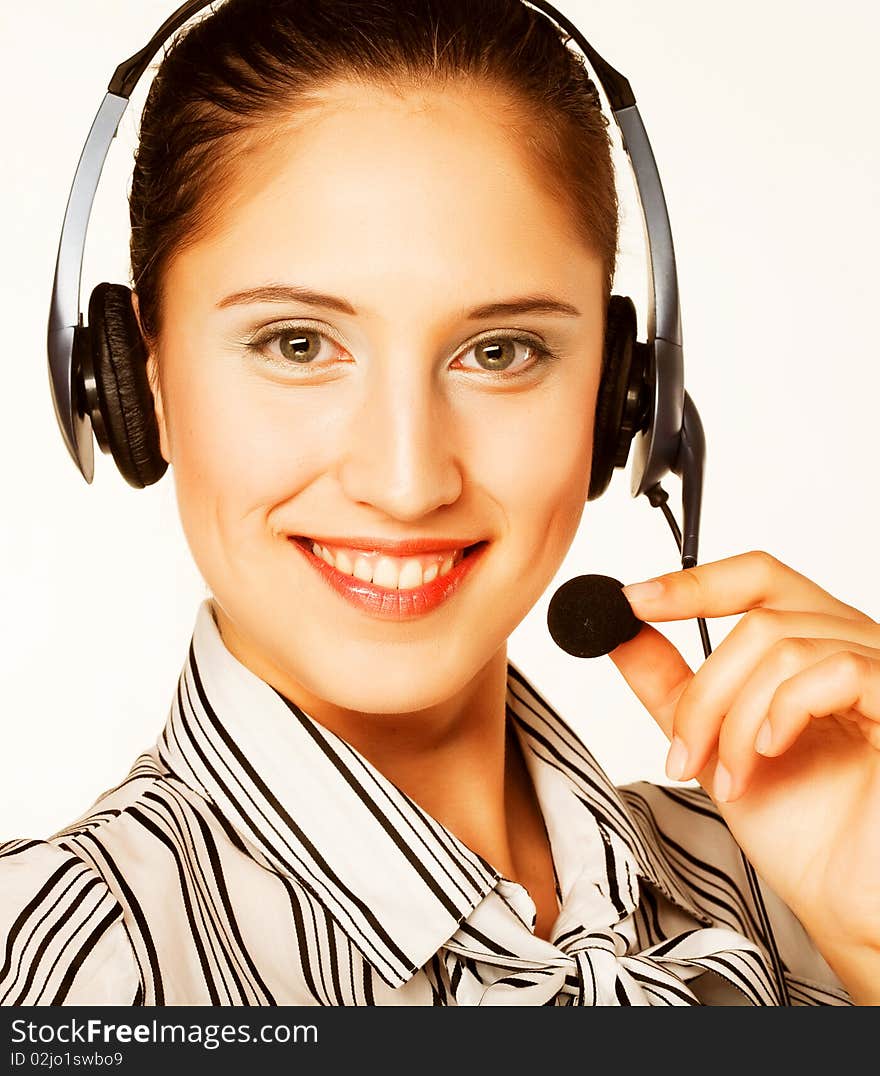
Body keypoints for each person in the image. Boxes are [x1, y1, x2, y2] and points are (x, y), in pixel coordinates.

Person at [2, 0, 879, 1006]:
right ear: (133, 378)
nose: (408, 479)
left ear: (622, 392)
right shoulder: (49, 970)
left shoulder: (800, 875)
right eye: (297, 343)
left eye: (499, 351)